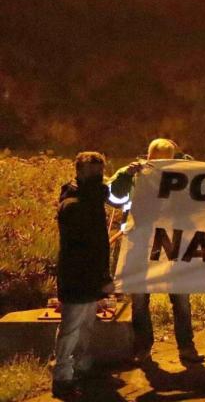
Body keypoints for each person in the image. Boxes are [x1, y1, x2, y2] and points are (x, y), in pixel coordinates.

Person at [108, 139, 204, 366]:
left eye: (166, 159)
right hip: (141, 245)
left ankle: (186, 347)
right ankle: (143, 348)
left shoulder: (181, 174)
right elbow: (113, 198)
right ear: (149, 156)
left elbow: (202, 193)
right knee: (140, 300)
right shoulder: (133, 172)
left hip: (172, 244)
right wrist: (125, 178)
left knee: (181, 299)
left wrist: (188, 166)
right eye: (157, 159)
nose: (161, 163)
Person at [52, 152, 114, 400]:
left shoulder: (91, 198)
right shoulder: (74, 205)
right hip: (77, 277)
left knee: (86, 326)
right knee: (71, 329)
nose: (98, 178)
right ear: (79, 172)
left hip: (90, 277)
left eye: (100, 172)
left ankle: (80, 368)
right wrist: (102, 277)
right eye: (93, 173)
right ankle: (63, 377)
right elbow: (86, 248)